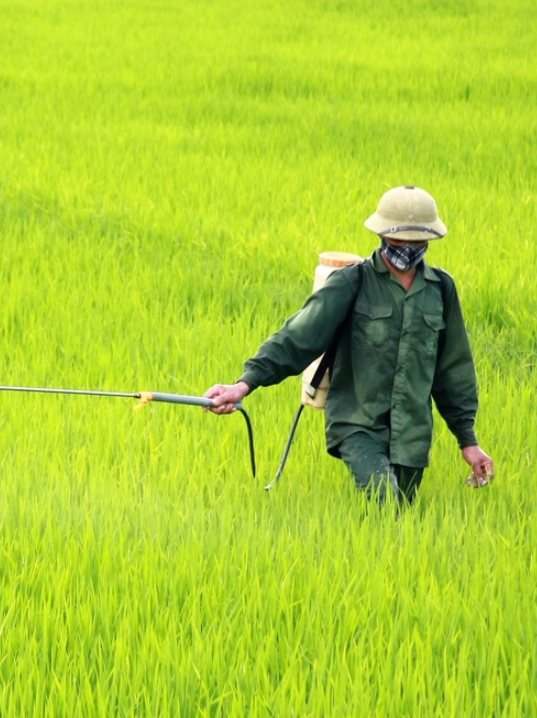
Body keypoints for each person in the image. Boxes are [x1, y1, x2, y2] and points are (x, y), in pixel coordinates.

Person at [203, 186, 494, 503]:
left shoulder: (441, 289)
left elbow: (453, 368)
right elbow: (298, 337)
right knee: (385, 500)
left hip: (412, 436)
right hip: (358, 424)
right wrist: (243, 385)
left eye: (417, 241)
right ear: (383, 235)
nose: (408, 248)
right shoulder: (352, 282)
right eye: (399, 240)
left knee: (400, 522)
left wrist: (468, 441)